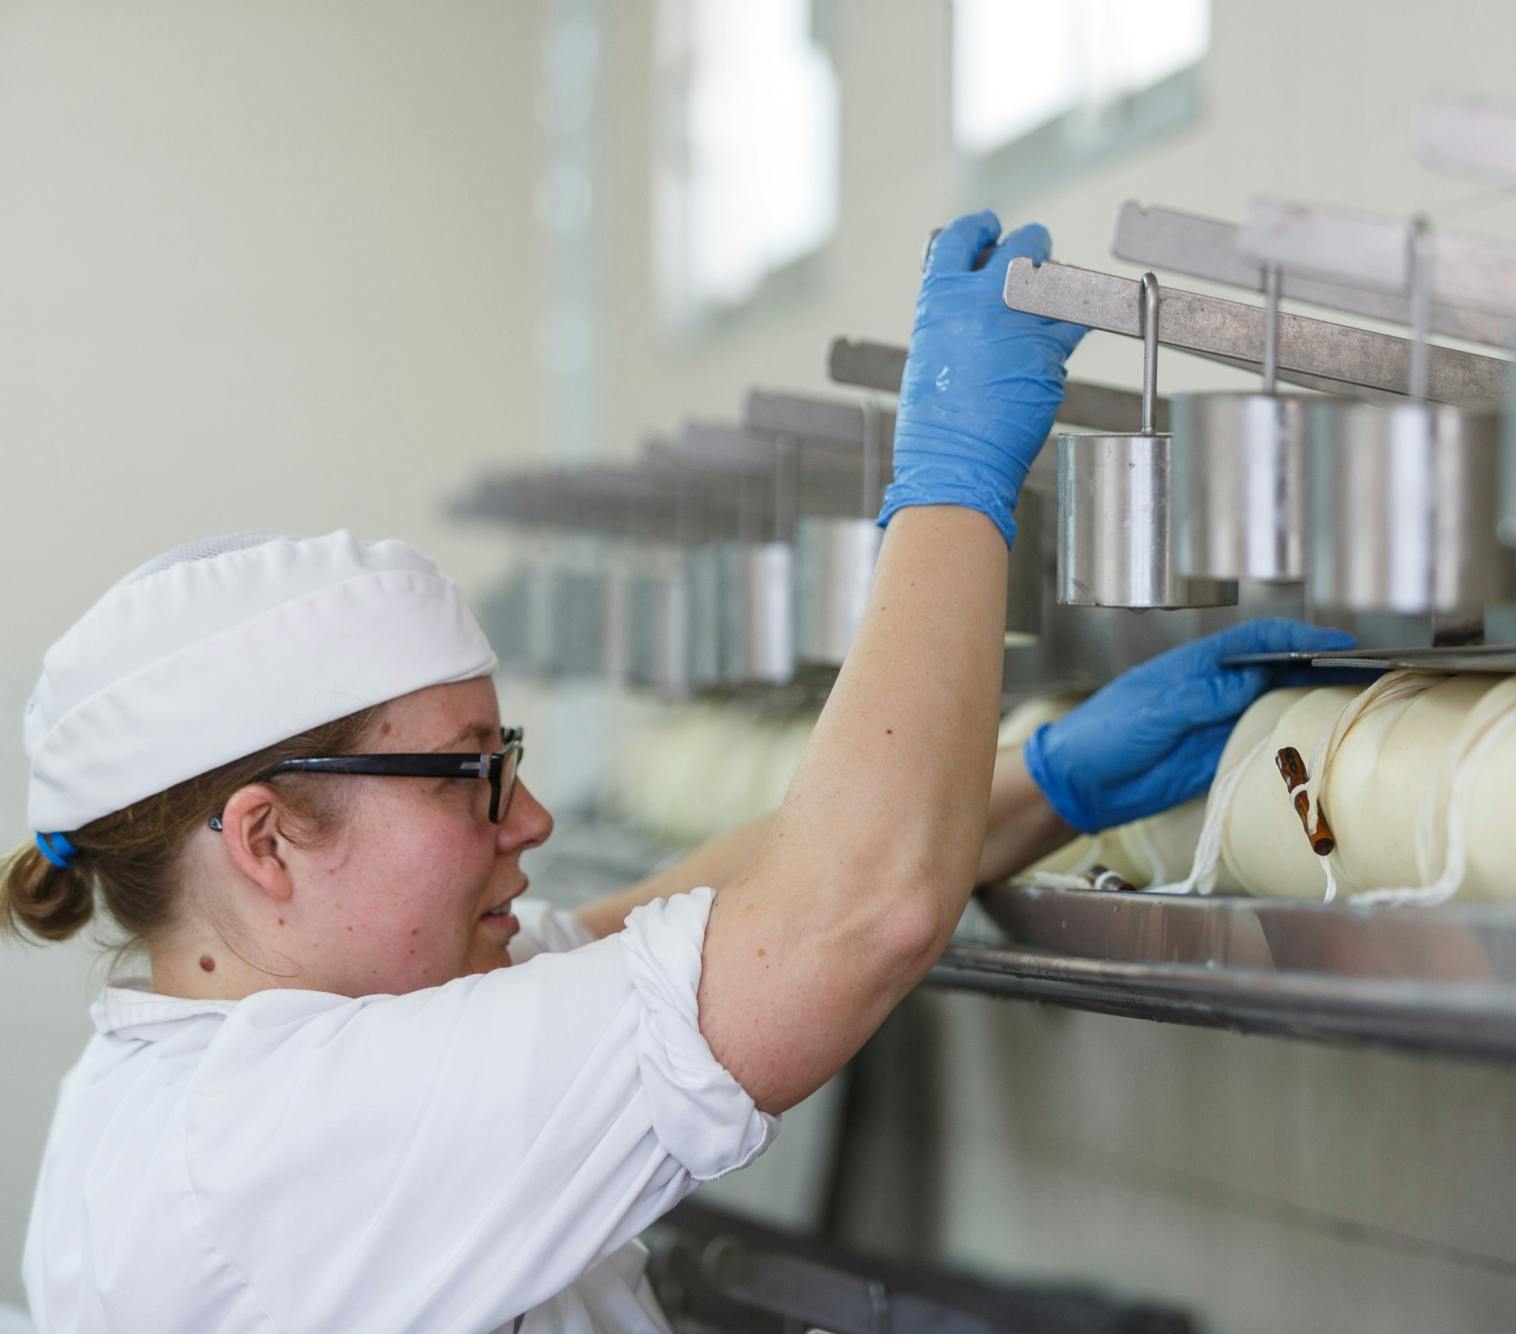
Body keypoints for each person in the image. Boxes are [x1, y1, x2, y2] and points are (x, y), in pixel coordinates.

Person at [4, 211, 1351, 1333]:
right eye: (471, 774)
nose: (529, 816)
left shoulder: (303, 1041)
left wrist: (1044, 777)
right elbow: (845, 916)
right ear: (266, 839)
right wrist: (953, 481)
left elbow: (659, 926)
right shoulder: (264, 1147)